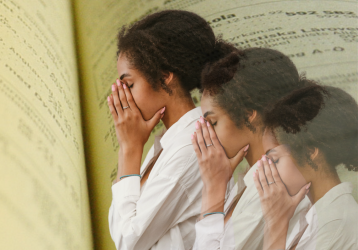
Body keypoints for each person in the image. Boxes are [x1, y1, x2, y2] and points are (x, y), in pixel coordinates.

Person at [107, 10, 235, 250]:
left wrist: (129, 148)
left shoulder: (192, 149)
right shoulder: (164, 146)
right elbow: (120, 230)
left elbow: (128, 241)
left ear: (165, 77)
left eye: (129, 84)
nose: (122, 97)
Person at [191, 48, 312, 250]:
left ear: (248, 117)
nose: (205, 135)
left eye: (213, 123)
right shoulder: (250, 179)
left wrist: (213, 189)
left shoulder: (274, 185)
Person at [255, 85, 358, 250]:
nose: (265, 171)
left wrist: (275, 224)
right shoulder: (311, 214)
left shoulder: (335, 223)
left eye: (274, 161)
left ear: (310, 153)